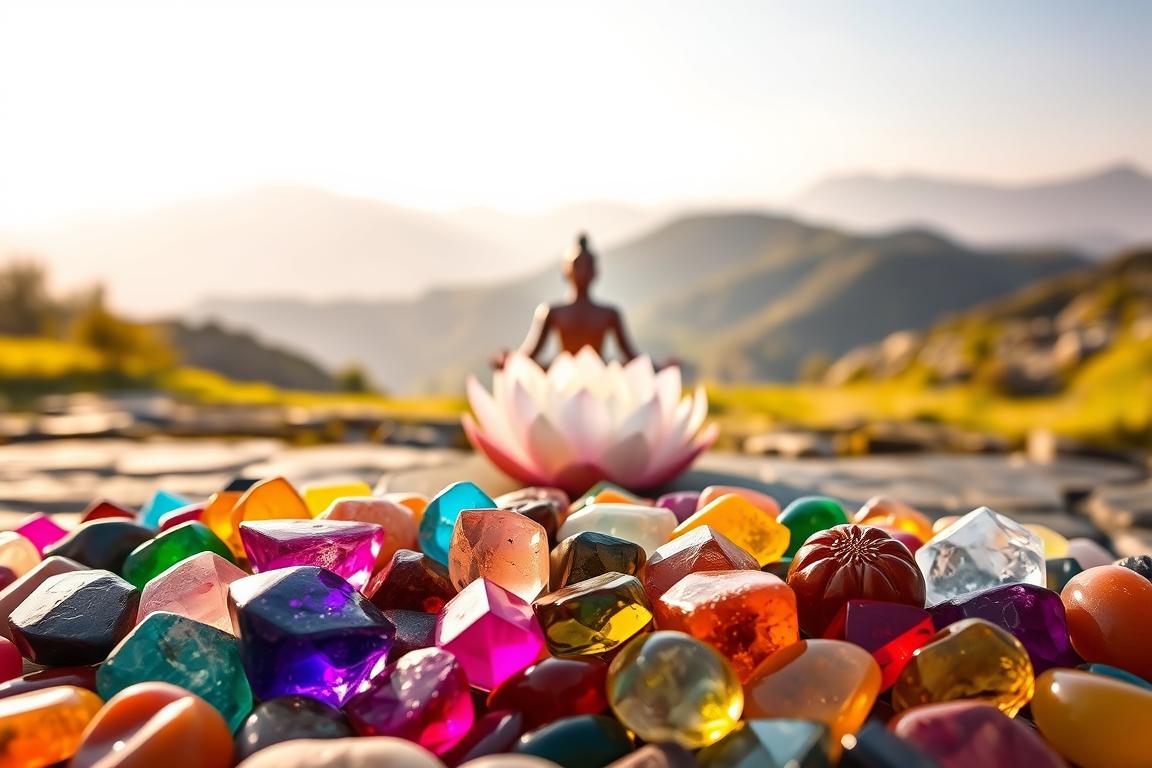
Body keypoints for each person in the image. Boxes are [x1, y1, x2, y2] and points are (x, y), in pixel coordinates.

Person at [493, 233, 638, 369]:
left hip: (598, 383)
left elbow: (633, 357)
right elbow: (528, 355)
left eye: (587, 266)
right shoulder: (551, 312)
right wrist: (509, 361)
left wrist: (656, 367)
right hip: (561, 383)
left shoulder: (610, 314)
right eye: (577, 265)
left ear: (595, 272)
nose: (582, 272)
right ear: (566, 270)